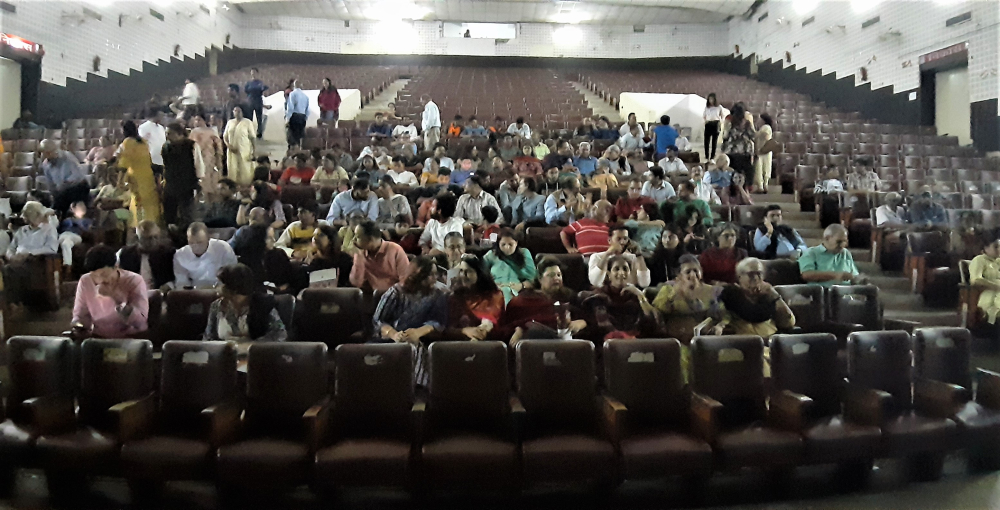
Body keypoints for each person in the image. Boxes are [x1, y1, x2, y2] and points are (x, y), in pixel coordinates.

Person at [373, 256, 449, 386]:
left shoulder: (438, 293)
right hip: (390, 339)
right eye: (430, 275)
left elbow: (438, 321)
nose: (434, 278)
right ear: (417, 275)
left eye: (435, 274)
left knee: (415, 348)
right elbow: (378, 321)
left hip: (423, 339)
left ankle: (417, 390)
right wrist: (394, 335)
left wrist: (417, 333)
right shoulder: (396, 292)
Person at [500, 257, 587, 344]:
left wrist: (582, 323)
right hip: (531, 342)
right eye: (551, 275)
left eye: (559, 275)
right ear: (540, 279)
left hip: (564, 341)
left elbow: (587, 318)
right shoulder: (525, 298)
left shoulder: (569, 296)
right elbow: (508, 324)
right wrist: (519, 328)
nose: (556, 278)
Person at [71, 245, 149, 339]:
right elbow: (80, 315)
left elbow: (140, 321)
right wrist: (78, 325)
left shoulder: (134, 280)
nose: (100, 280)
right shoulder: (86, 281)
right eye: (95, 276)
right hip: (99, 337)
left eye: (104, 274)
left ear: (116, 267)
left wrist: (117, 300)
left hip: (130, 337)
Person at [204, 264, 287, 346]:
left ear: (234, 287)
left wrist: (250, 346)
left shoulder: (263, 304)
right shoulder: (216, 306)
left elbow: (280, 334)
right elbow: (208, 337)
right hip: (223, 357)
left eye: (221, 283)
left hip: (255, 355)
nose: (216, 286)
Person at [654, 254, 726, 348]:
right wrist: (676, 293)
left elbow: (722, 314)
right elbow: (657, 314)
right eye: (688, 272)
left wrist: (719, 326)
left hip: (704, 341)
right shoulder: (668, 290)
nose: (693, 275)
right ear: (679, 275)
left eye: (696, 271)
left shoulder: (710, 290)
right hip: (677, 342)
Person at [580, 255, 659, 341]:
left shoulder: (635, 295)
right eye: (616, 269)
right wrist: (626, 338)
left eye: (625, 269)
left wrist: (640, 296)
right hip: (610, 344)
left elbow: (654, 321)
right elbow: (603, 326)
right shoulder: (599, 296)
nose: (621, 272)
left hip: (637, 342)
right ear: (609, 274)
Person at [720, 257, 795, 337]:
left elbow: (788, 323)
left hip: (772, 341)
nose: (756, 278)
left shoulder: (769, 295)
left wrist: (775, 296)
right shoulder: (731, 295)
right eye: (751, 274)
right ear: (740, 277)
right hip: (745, 344)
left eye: (759, 274)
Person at [4, 201, 59, 306]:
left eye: (26, 215)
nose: (23, 217)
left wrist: (29, 254)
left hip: (35, 262)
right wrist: (11, 256)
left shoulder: (48, 230)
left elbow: (52, 249)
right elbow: (10, 248)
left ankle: (13, 302)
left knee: (9, 270)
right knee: (7, 269)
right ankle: (11, 302)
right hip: (16, 260)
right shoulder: (21, 230)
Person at [448, 255, 505, 340]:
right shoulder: (455, 297)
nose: (463, 275)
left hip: (487, 343)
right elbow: (445, 327)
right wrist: (464, 331)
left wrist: (479, 332)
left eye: (468, 271)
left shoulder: (494, 295)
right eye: (461, 271)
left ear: (480, 273)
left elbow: (489, 320)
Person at [115, 120, 161, 226]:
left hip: (137, 179)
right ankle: (154, 225)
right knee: (151, 203)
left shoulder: (128, 143)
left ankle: (141, 227)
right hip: (148, 177)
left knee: (139, 204)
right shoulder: (143, 142)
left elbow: (124, 165)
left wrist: (119, 181)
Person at [349, 220, 410, 292]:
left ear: (370, 239)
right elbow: (356, 283)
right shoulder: (360, 254)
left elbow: (405, 280)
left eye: (357, 237)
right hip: (370, 297)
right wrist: (359, 256)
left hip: (394, 295)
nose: (353, 240)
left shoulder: (395, 250)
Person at [173, 222, 238, 288]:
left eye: (199, 242)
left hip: (220, 290)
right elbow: (181, 282)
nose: (195, 246)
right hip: (194, 292)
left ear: (208, 238)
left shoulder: (223, 249)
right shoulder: (180, 255)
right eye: (191, 242)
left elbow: (232, 275)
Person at [161, 122, 202, 227]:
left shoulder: (191, 146)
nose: (167, 136)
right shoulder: (165, 147)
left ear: (179, 134)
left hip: (187, 186)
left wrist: (198, 184)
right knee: (169, 216)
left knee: (187, 216)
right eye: (166, 133)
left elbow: (199, 165)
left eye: (169, 133)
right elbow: (165, 166)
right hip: (170, 186)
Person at [799, 224, 866, 286]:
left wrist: (859, 279)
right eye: (839, 242)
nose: (843, 245)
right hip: (821, 294)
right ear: (827, 238)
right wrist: (836, 275)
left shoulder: (846, 253)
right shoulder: (811, 253)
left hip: (845, 293)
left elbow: (854, 276)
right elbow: (806, 275)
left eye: (845, 241)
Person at [483, 228, 537, 304]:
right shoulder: (492, 255)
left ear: (516, 243)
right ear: (498, 244)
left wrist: (521, 286)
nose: (507, 248)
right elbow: (481, 274)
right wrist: (492, 285)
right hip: (496, 290)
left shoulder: (524, 253)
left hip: (515, 290)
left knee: (507, 292)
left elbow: (532, 279)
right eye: (503, 244)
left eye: (510, 244)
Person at [117, 220, 176, 291]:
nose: (153, 241)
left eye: (156, 237)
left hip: (161, 296)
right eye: (148, 238)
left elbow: (179, 278)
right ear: (138, 238)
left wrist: (168, 285)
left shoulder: (169, 253)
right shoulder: (124, 253)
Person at [40, 139, 89, 215]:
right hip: (62, 190)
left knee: (62, 198)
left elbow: (77, 175)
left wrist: (64, 184)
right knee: (46, 198)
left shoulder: (67, 157)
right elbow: (51, 184)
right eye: (45, 153)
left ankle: (55, 215)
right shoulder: (45, 165)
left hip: (78, 186)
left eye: (50, 152)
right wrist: (54, 194)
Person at [969, 230, 1000, 327]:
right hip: (989, 293)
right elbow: (975, 280)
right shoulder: (979, 260)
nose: (999, 249)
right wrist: (996, 286)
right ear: (986, 248)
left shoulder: (998, 261)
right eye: (995, 247)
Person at [721, 102, 756, 189]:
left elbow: (725, 135)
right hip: (744, 151)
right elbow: (753, 136)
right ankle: (747, 187)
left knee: (732, 171)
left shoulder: (729, 121)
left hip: (730, 151)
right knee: (746, 169)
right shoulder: (747, 123)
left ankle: (731, 187)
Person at [189, 115, 224, 196]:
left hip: (209, 158)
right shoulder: (193, 132)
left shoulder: (212, 132)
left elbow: (218, 147)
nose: (197, 122)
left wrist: (218, 159)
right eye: (195, 120)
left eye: (199, 120)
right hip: (197, 158)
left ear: (205, 121)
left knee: (211, 179)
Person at [223, 105, 257, 185]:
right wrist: (228, 145)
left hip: (244, 150)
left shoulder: (248, 122)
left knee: (245, 169)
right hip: (232, 151)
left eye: (239, 111)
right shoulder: (230, 122)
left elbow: (252, 138)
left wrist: (254, 151)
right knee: (232, 169)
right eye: (235, 111)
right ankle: (233, 187)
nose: (237, 113)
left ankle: (245, 187)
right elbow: (225, 137)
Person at [57, 201, 93, 273]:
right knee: (65, 243)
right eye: (79, 206)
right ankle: (67, 265)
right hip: (63, 235)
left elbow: (88, 231)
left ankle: (67, 267)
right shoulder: (67, 219)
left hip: (76, 236)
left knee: (66, 241)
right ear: (73, 209)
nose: (82, 207)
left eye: (83, 206)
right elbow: (59, 229)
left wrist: (78, 223)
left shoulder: (87, 221)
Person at [245, 68, 269, 138]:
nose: (253, 74)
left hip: (258, 101)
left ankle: (259, 133)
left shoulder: (260, 83)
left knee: (259, 118)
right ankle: (249, 132)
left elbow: (263, 90)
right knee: (249, 118)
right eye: (252, 72)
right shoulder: (248, 83)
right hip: (250, 101)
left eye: (254, 72)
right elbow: (246, 91)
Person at [285, 79, 309, 149]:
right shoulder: (305, 96)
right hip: (302, 117)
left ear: (294, 85)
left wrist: (287, 119)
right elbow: (308, 110)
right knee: (300, 136)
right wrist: (305, 118)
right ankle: (299, 149)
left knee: (292, 136)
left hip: (294, 116)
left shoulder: (292, 94)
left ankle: (293, 151)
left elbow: (290, 107)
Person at [704, 93, 723, 160]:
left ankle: (712, 156)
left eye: (712, 99)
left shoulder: (719, 107)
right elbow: (704, 115)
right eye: (709, 99)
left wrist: (720, 122)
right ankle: (706, 155)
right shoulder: (707, 107)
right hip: (708, 123)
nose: (710, 100)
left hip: (715, 123)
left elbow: (721, 115)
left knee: (714, 142)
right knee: (706, 141)